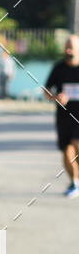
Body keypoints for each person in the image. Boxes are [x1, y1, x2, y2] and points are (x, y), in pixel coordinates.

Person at [44, 34, 79, 197]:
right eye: (66, 47)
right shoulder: (59, 68)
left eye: (71, 47)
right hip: (64, 116)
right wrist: (55, 97)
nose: (68, 50)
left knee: (76, 144)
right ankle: (75, 182)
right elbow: (46, 90)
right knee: (66, 150)